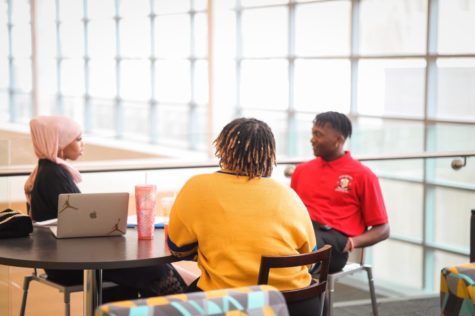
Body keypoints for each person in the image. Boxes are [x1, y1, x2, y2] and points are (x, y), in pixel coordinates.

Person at [24, 115, 192, 300]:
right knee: (151, 268)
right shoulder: (53, 175)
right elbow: (84, 223)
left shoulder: (47, 171)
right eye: (78, 139)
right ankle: (184, 305)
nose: (83, 144)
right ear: (60, 143)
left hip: (66, 259)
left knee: (145, 268)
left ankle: (181, 301)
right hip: (69, 264)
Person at [167, 117, 318, 315]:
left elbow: (178, 248)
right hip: (299, 303)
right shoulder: (287, 194)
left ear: (223, 148)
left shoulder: (198, 186)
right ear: (269, 154)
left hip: (233, 305)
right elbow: (312, 261)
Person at [290, 111, 390, 273]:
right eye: (312, 133)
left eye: (318, 134)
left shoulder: (363, 175)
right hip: (303, 232)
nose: (312, 139)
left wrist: (352, 243)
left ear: (338, 140)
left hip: (335, 242)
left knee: (297, 256)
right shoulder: (302, 170)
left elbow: (383, 229)